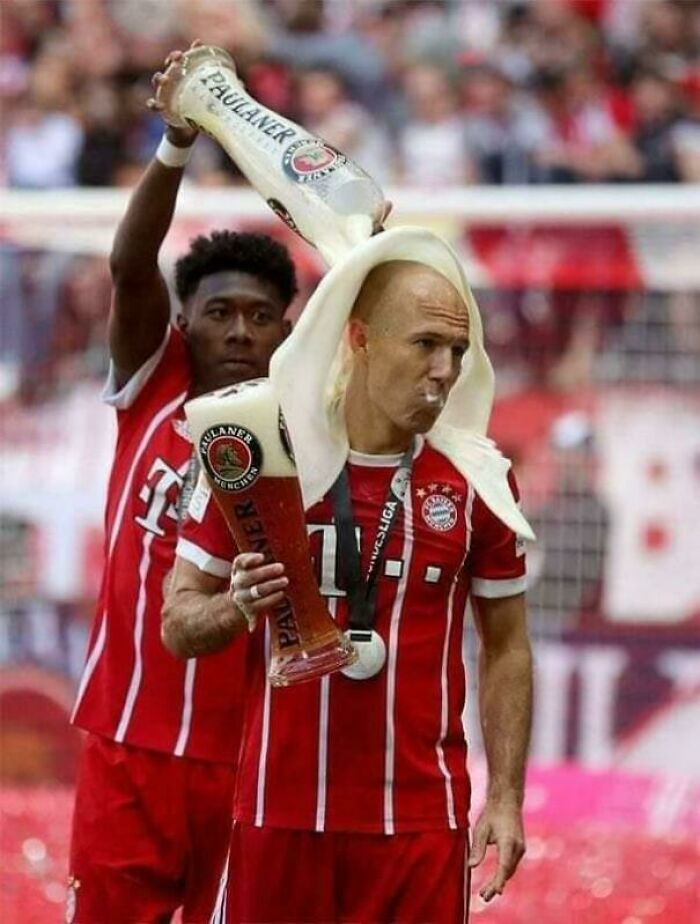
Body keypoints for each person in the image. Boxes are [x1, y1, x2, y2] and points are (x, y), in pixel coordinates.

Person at [163, 247, 534, 922]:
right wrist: (238, 606)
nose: (445, 370)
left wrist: (506, 798)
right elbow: (178, 623)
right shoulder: (259, 456)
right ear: (359, 339)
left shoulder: (479, 481)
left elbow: (507, 646)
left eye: (457, 350)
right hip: (279, 815)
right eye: (425, 344)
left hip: (419, 823)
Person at [67, 43, 298, 924]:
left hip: (249, 754)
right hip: (128, 739)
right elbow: (130, 268)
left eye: (261, 316)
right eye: (219, 313)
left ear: (286, 332)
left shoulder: (305, 431)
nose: (239, 331)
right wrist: (175, 144)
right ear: (185, 324)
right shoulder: (154, 388)